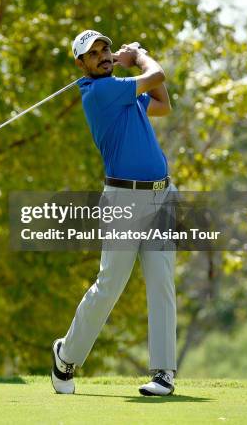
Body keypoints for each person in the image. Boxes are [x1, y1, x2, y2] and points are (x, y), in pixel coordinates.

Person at [51, 29, 177, 397]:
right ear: (82, 64)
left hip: (160, 196)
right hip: (124, 200)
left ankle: (164, 373)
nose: (104, 55)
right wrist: (136, 54)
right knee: (110, 286)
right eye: (95, 53)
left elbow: (162, 102)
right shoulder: (101, 92)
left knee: (161, 282)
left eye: (106, 49)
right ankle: (66, 357)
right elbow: (157, 76)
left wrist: (131, 64)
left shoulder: (122, 92)